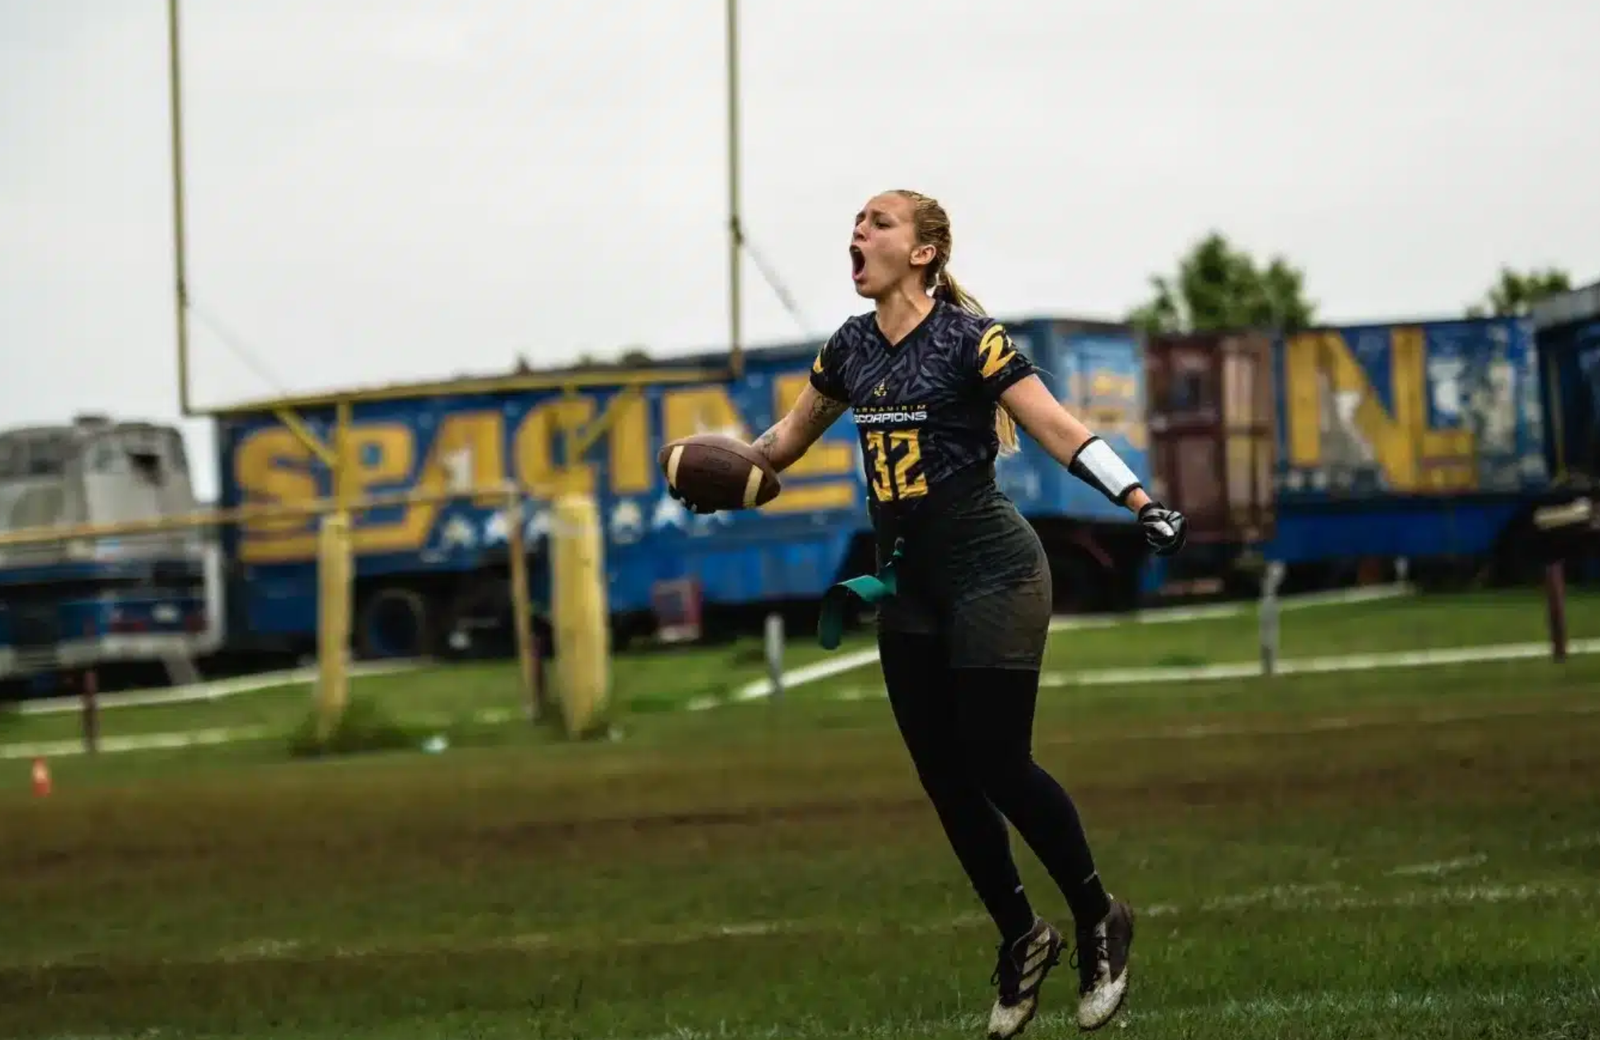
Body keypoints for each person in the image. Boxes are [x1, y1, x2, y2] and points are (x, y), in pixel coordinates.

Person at [670, 189, 1187, 1036]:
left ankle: (1099, 916)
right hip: (909, 586)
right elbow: (780, 450)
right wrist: (722, 482)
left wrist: (1137, 499)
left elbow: (1054, 426)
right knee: (944, 777)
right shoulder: (849, 348)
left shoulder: (968, 341)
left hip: (994, 572)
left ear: (924, 253)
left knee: (995, 758)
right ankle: (1023, 935)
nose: (857, 233)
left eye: (878, 223)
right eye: (856, 223)